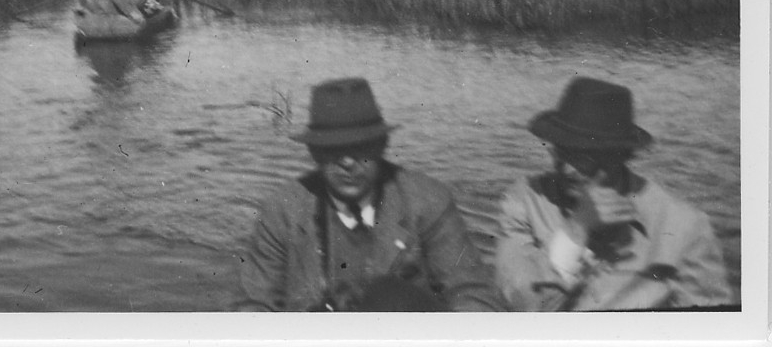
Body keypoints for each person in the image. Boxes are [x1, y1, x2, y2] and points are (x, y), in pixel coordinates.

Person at [233, 77, 505, 312]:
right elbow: (254, 307)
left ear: (381, 145)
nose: (347, 162)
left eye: (360, 147)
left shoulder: (428, 201)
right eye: (333, 150)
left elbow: (474, 295)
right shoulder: (283, 211)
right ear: (314, 153)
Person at [494, 76, 733, 311]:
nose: (566, 169)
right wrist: (576, 230)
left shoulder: (684, 227)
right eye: (561, 153)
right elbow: (523, 305)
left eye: (583, 158)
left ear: (620, 156)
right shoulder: (525, 201)